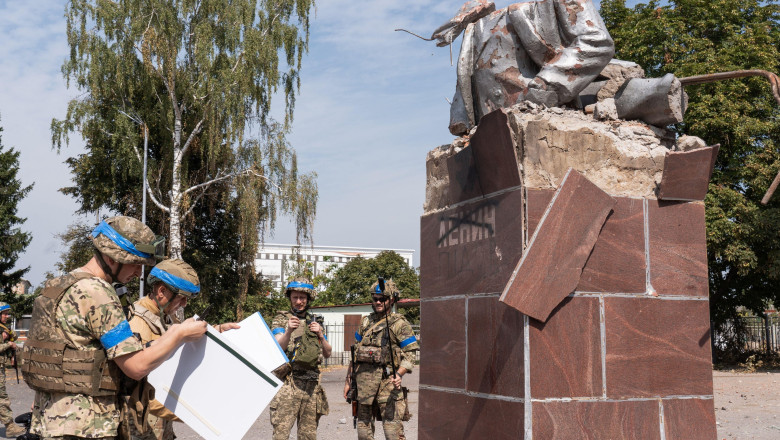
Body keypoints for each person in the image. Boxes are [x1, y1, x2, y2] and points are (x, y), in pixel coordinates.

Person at [20, 216, 207, 440]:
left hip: (50, 420)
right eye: (135, 263)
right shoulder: (98, 294)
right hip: (87, 426)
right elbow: (136, 366)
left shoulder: (58, 286)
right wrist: (178, 334)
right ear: (111, 257)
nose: (139, 273)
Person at [125, 258, 237, 440]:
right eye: (181, 297)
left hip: (161, 426)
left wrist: (217, 331)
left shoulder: (166, 317)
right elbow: (138, 387)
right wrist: (195, 413)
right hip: (142, 428)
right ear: (162, 291)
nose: (184, 303)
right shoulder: (138, 322)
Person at [342, 280, 419, 440]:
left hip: (388, 384)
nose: (378, 302)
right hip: (364, 386)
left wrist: (399, 374)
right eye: (375, 298)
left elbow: (411, 354)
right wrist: (349, 380)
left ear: (391, 299)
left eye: (382, 299)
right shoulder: (365, 322)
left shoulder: (399, 324)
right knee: (363, 433)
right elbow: (355, 353)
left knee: (393, 433)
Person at [269, 277, 331, 440]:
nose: (298, 301)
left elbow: (327, 353)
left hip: (311, 384)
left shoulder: (315, 321)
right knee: (280, 435)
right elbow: (278, 347)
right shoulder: (281, 319)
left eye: (302, 298)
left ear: (308, 299)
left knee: (308, 436)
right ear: (290, 298)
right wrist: (288, 331)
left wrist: (321, 335)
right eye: (295, 297)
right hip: (288, 383)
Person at [0, 302, 26, 438]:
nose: (7, 316)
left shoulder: (3, 328)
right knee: (2, 398)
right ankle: (10, 427)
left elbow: (14, 336)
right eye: (4, 314)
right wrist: (8, 344)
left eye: (7, 314)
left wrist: (9, 335)